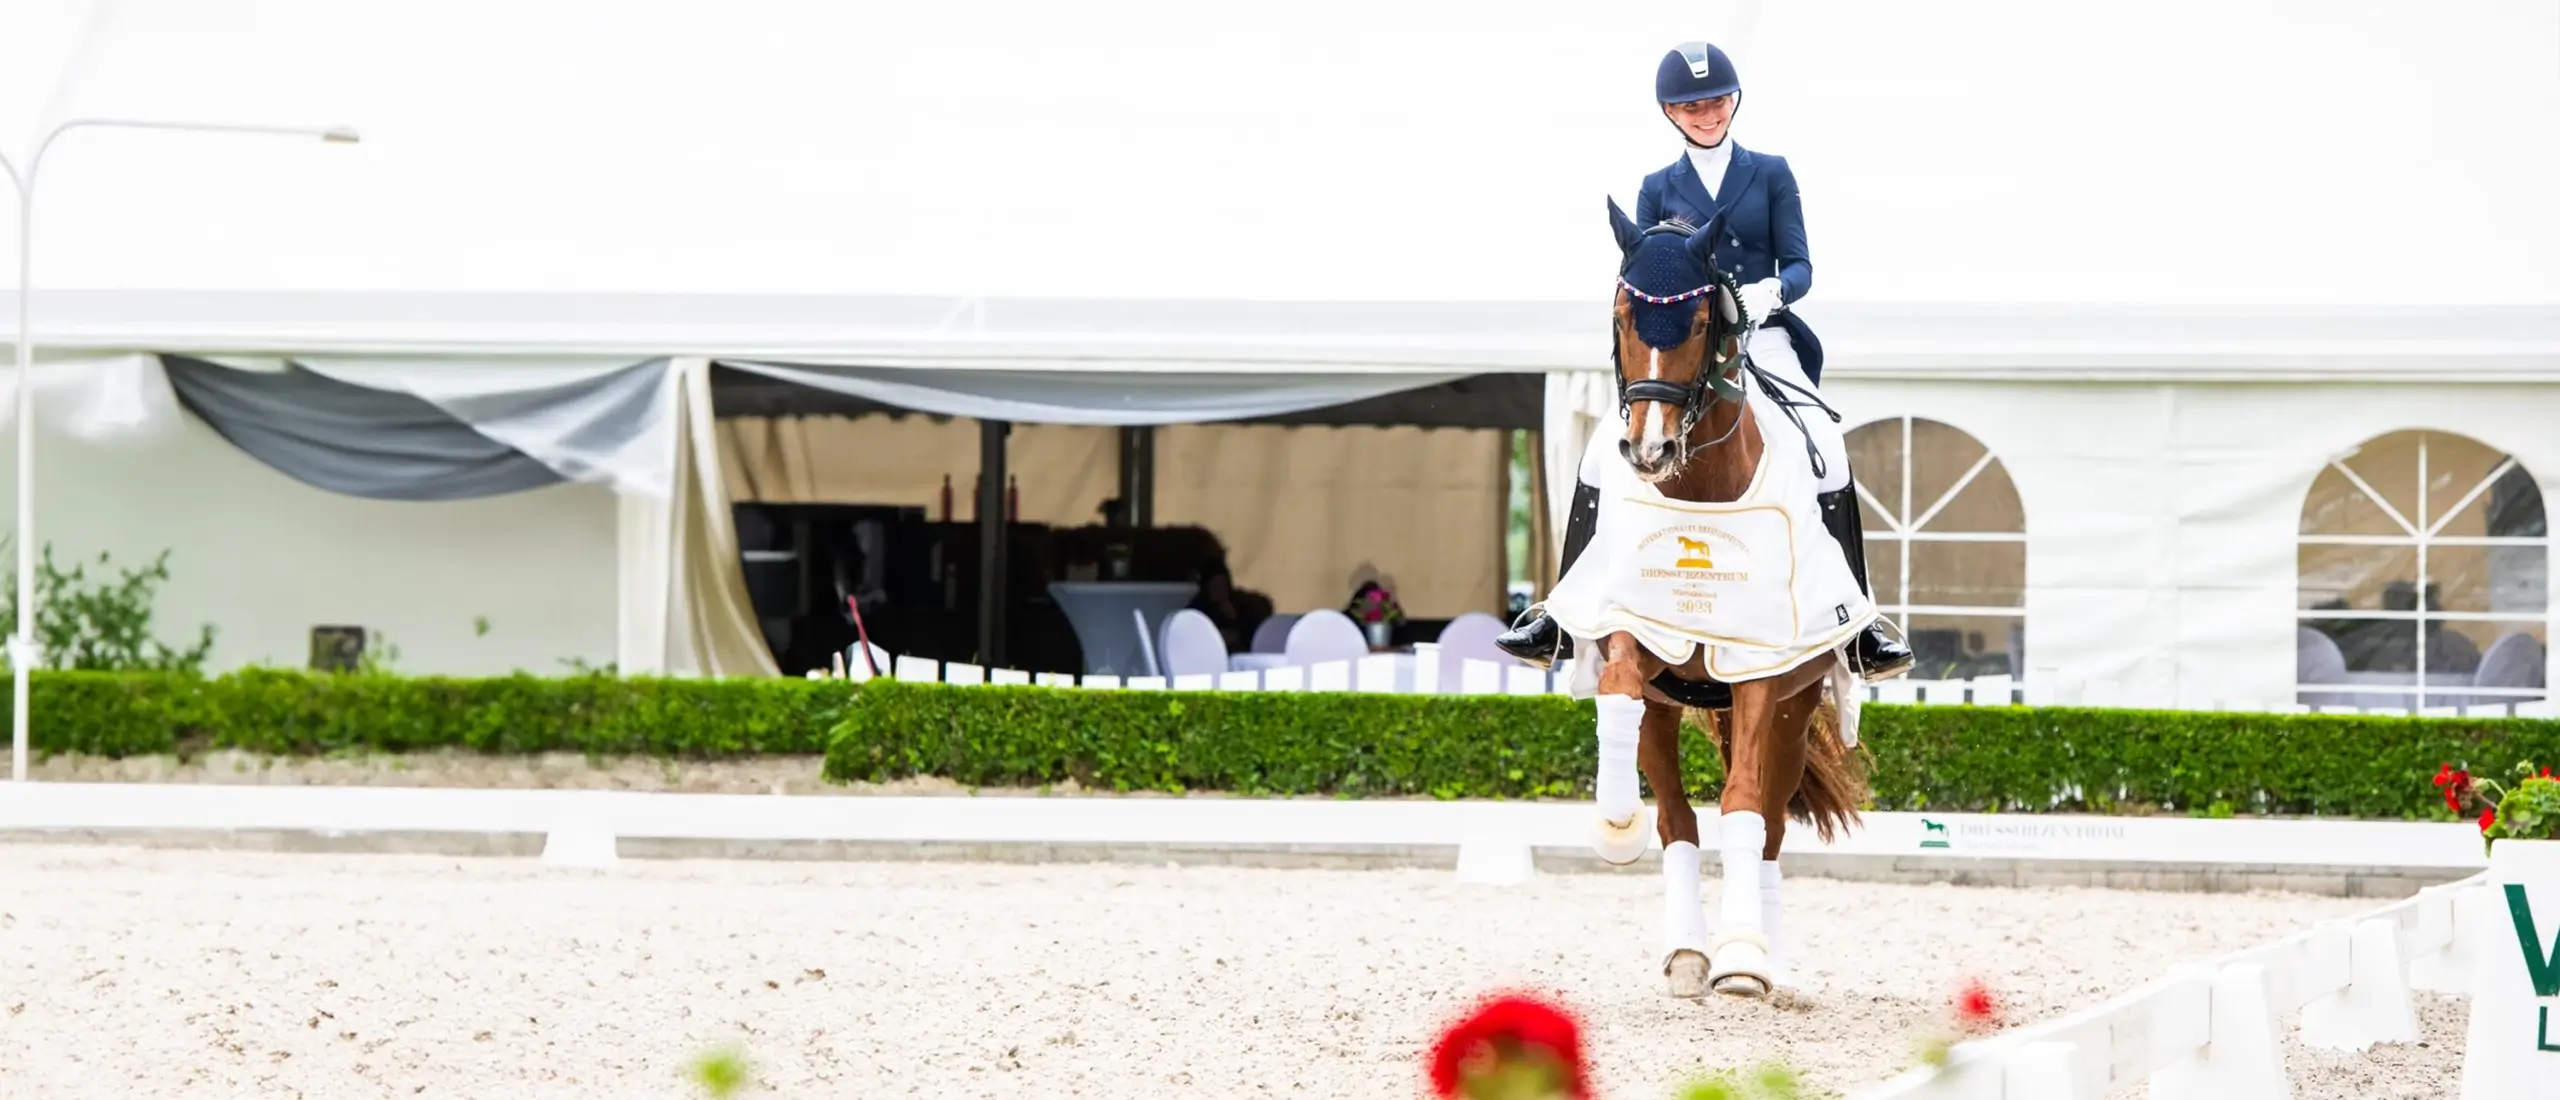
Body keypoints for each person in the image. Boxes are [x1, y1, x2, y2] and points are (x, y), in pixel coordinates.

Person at [1498, 40, 1913, 682]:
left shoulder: (1771, 172)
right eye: (1692, 105)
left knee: (1826, 443)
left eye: (1717, 100)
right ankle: (1560, 615)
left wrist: (1771, 291)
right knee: (1599, 453)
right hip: (1689, 346)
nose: (1707, 113)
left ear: (1733, 101)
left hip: (1761, 334)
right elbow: (1642, 275)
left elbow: (1800, 263)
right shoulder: (1657, 187)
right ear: (1670, 111)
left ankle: (1855, 623)